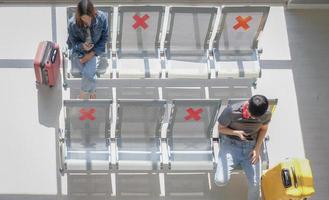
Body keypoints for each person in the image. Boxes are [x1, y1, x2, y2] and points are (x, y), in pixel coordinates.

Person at [214, 95, 272, 200]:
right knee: (220, 181)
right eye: (252, 115)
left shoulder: (266, 114)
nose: (254, 118)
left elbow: (263, 129)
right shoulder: (231, 111)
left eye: (256, 117)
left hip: (251, 146)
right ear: (248, 105)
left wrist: (257, 148)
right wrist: (236, 132)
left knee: (255, 186)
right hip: (231, 143)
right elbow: (220, 129)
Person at [67, 0, 109, 99]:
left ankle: (83, 93)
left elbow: (105, 38)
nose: (87, 21)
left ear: (93, 12)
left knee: (86, 73)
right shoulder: (72, 24)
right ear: (79, 16)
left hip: (96, 51)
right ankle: (92, 90)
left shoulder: (102, 18)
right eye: (83, 18)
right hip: (80, 52)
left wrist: (92, 54)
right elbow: (74, 44)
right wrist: (82, 46)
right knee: (89, 73)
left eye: (89, 17)